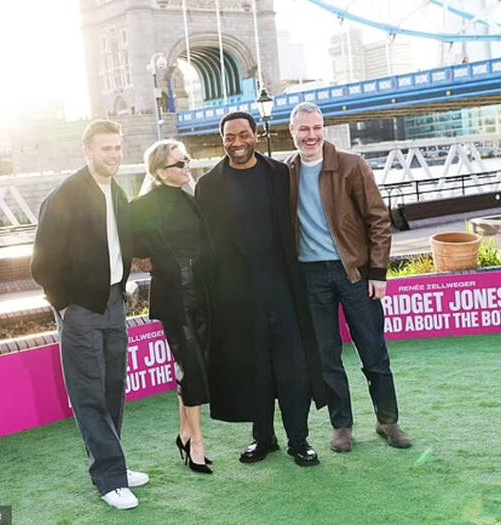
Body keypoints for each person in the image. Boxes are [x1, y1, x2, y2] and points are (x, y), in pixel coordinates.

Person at [195, 111, 327, 467]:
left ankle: (299, 441)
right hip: (237, 296)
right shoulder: (208, 185)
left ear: (255, 136)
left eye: (243, 135)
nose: (236, 143)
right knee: (255, 368)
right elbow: (203, 246)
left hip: (283, 287)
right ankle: (263, 438)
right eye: (229, 137)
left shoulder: (279, 174)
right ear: (222, 141)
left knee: (293, 369)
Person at [30, 119, 148, 510]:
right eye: (105, 148)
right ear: (87, 151)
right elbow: (42, 263)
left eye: (117, 147)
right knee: (89, 395)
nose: (114, 155)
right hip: (79, 308)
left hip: (114, 302)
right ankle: (109, 478)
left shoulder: (118, 192)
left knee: (114, 388)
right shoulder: (63, 197)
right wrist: (63, 304)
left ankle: (115, 465)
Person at [286, 102, 411, 453]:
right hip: (310, 276)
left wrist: (378, 272)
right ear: (292, 132)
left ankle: (388, 421)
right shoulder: (286, 171)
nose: (311, 135)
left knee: (373, 351)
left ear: (323, 129)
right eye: (303, 129)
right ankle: (341, 426)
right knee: (327, 356)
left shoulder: (351, 165)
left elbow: (378, 219)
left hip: (354, 272)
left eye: (317, 128)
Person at [130, 139, 214, 475]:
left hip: (203, 294)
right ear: (159, 171)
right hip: (173, 297)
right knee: (191, 368)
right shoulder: (140, 207)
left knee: (194, 367)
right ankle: (197, 444)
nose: (187, 167)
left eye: (187, 160)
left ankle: (184, 433)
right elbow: (131, 247)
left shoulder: (192, 200)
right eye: (179, 164)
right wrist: (144, 259)